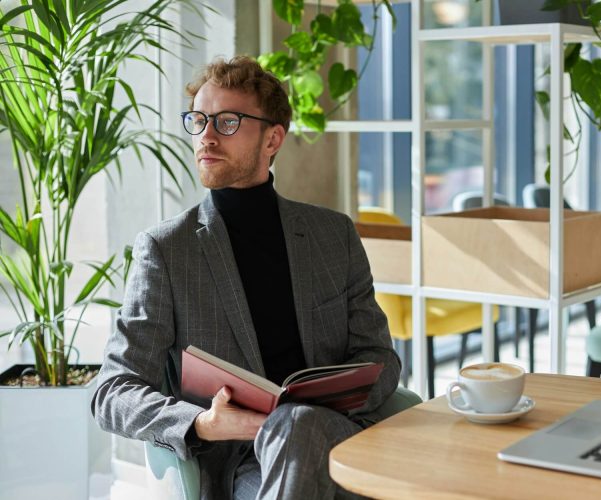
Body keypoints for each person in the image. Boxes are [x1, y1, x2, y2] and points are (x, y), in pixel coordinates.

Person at [92, 56, 401, 500]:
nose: (206, 137)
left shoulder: (333, 235)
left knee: (303, 424)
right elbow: (111, 393)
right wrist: (203, 423)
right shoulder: (166, 250)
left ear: (273, 137)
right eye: (198, 121)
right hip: (246, 462)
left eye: (228, 122)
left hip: (342, 443)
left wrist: (327, 405)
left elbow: (379, 357)